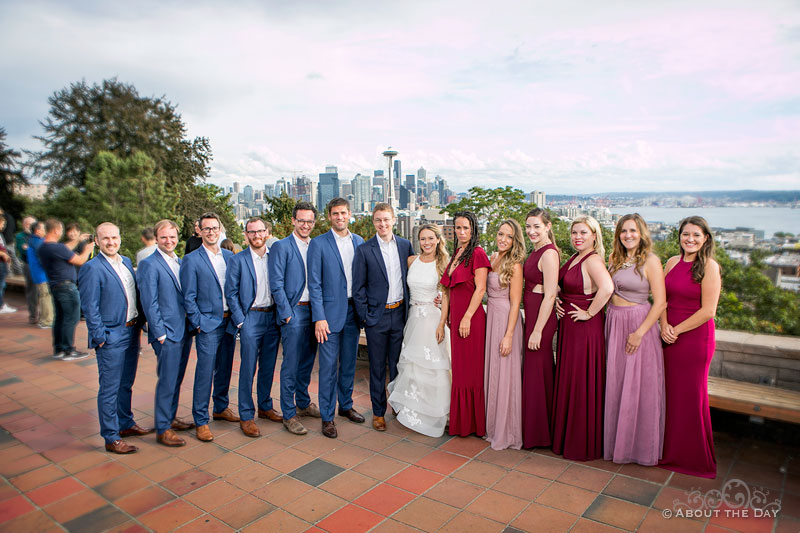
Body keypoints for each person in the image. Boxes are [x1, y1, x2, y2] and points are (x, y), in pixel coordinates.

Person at [78, 223, 152, 454]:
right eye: (105, 238)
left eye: (114, 237)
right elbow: (89, 306)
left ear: (120, 238)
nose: (111, 242)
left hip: (132, 331)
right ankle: (111, 436)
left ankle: (126, 423)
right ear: (97, 242)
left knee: (126, 383)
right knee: (109, 387)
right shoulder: (92, 268)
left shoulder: (127, 262)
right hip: (111, 334)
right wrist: (100, 336)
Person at [659, 216, 720, 479]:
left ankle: (692, 458)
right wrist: (663, 325)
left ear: (705, 238)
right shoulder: (672, 262)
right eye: (686, 234)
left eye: (696, 235)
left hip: (694, 340)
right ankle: (666, 450)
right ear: (679, 237)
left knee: (691, 397)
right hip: (667, 336)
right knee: (669, 395)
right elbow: (660, 298)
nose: (690, 239)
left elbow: (709, 310)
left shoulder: (709, 267)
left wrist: (676, 329)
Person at [604, 214, 666, 466]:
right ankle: (615, 443)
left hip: (637, 324)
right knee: (617, 383)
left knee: (637, 387)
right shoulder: (614, 259)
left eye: (632, 230)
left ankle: (637, 448)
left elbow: (660, 302)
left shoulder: (651, 261)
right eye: (623, 231)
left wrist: (639, 333)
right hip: (614, 321)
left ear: (641, 233)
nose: (628, 235)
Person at [552, 215, 613, 461]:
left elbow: (607, 288)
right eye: (575, 232)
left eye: (583, 233)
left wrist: (589, 312)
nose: (578, 237)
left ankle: (581, 441)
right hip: (570, 326)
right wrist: (558, 299)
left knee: (580, 379)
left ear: (594, 236)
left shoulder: (593, 260)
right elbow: (563, 285)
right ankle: (568, 437)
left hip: (584, 329)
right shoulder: (575, 258)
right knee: (571, 378)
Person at [308, 198, 366, 439]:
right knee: (329, 366)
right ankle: (327, 417)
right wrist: (319, 317)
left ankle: (345, 405)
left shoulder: (359, 242)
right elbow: (314, 283)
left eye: (343, 213)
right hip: (329, 316)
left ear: (349, 214)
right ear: (329, 216)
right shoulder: (319, 244)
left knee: (349, 364)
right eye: (335, 213)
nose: (339, 217)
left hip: (354, 312)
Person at [353, 203, 413, 432]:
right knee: (377, 367)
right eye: (378, 220)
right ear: (374, 222)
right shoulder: (365, 250)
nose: (383, 224)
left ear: (394, 220)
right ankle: (378, 413)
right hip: (376, 318)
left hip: (399, 314)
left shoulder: (405, 246)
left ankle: (398, 407)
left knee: (398, 365)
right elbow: (358, 288)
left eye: (386, 219)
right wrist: (366, 318)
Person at [180, 212, 239, 442]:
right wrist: (199, 323)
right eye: (207, 229)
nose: (211, 232)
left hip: (229, 321)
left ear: (220, 230)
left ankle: (221, 407)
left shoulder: (229, 256)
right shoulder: (191, 260)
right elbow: (188, 297)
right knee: (205, 372)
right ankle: (201, 420)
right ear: (200, 231)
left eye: (215, 228)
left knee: (225, 367)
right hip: (208, 324)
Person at [388, 224, 451, 437]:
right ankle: (413, 408)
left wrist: (442, 323)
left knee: (433, 367)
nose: (426, 243)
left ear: (438, 239)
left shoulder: (443, 263)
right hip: (413, 318)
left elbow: (447, 295)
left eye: (430, 238)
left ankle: (434, 412)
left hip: (433, 320)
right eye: (423, 239)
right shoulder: (411, 261)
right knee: (413, 366)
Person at [137, 219, 196, 447]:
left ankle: (170, 418)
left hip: (183, 331)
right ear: (156, 238)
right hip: (167, 334)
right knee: (167, 380)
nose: (169, 241)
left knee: (176, 378)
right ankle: (163, 429)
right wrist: (160, 333)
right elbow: (149, 302)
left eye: (172, 237)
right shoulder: (149, 264)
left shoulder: (179, 262)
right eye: (164, 237)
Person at [225, 217, 283, 438]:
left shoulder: (275, 257)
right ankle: (246, 415)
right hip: (251, 318)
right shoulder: (238, 260)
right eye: (251, 232)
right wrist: (241, 320)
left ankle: (265, 406)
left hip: (272, 317)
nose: (256, 236)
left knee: (268, 365)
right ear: (246, 235)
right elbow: (230, 292)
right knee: (248, 367)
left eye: (260, 231)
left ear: (267, 232)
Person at [270, 202, 322, 435]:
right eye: (301, 220)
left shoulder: (316, 245)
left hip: (315, 311)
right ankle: (288, 413)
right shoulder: (282, 247)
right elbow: (276, 284)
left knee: (308, 361)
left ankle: (302, 401)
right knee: (290, 364)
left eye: (309, 221)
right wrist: (287, 313)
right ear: (293, 221)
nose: (305, 225)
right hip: (295, 311)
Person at [440, 210, 491, 437]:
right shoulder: (457, 253)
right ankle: (462, 421)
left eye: (466, 228)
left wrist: (467, 317)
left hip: (471, 320)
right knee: (460, 372)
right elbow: (450, 289)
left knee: (471, 372)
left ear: (473, 230)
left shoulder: (478, 253)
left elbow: (481, 288)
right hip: (457, 319)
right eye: (458, 228)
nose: (461, 232)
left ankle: (475, 423)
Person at [485, 219, 525, 450]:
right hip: (491, 317)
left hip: (506, 320)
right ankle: (492, 425)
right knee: (493, 371)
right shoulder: (492, 257)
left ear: (514, 240)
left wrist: (509, 335)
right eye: (501, 234)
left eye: (508, 236)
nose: (503, 239)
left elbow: (515, 302)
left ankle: (506, 430)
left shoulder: (515, 264)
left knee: (505, 372)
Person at [521, 208, 559, 449]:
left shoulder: (549, 254)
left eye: (537, 226)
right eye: (528, 227)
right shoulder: (535, 251)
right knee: (535, 372)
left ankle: (540, 434)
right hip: (532, 311)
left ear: (548, 226)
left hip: (541, 319)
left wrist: (537, 330)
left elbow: (551, 293)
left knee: (538, 371)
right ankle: (536, 430)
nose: (532, 231)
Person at [38, 219, 94, 360]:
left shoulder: (44, 247)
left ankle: (59, 349)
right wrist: (88, 249)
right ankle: (69, 350)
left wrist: (77, 241)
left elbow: (64, 250)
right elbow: (80, 260)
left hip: (55, 285)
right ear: (56, 230)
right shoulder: (57, 248)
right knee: (71, 318)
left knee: (60, 318)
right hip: (67, 287)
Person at [27, 222, 53, 327]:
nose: (45, 230)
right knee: (45, 296)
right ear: (37, 231)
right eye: (43, 229)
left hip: (39, 274)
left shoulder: (34, 241)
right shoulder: (37, 243)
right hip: (42, 274)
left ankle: (44, 319)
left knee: (43, 296)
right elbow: (43, 258)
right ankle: (47, 321)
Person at [15, 216, 36, 322]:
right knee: (32, 290)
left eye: (32, 224)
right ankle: (33, 315)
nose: (30, 226)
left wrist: (30, 247)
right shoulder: (20, 236)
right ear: (24, 224)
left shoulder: (37, 235)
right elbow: (23, 250)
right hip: (29, 265)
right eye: (27, 223)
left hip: (40, 265)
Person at [0, 212, 13, 314]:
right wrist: (4, 254)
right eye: (2, 224)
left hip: (3, 262)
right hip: (1, 262)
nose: (3, 227)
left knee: (2, 285)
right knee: (1, 285)